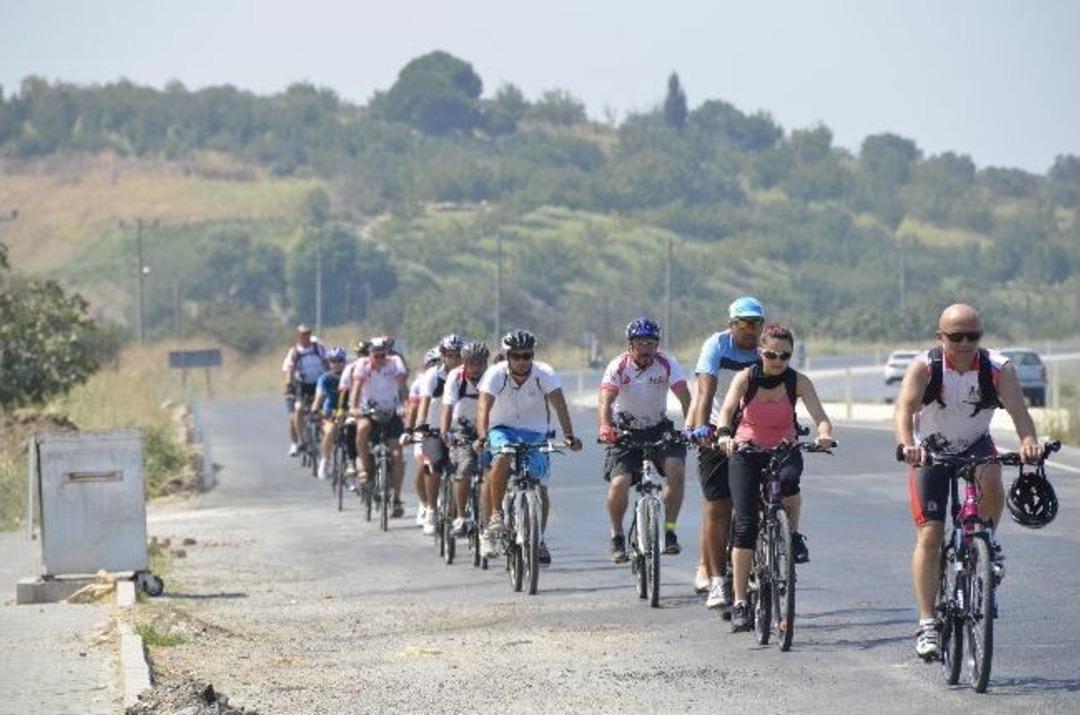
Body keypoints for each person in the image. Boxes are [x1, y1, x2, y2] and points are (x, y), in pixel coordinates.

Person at [894, 303, 1040, 661]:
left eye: (972, 336)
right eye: (955, 336)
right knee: (930, 533)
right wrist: (908, 445)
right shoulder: (925, 367)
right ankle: (927, 623)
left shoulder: (997, 368)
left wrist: (1027, 443)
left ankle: (986, 540)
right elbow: (903, 408)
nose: (963, 343)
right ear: (939, 336)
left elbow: (1019, 412)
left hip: (976, 444)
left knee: (993, 477)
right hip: (931, 450)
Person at [713, 323, 834, 632]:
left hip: (784, 447)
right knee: (745, 527)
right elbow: (726, 411)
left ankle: (791, 534)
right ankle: (740, 601)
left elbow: (820, 416)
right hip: (746, 451)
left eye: (785, 355)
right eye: (771, 354)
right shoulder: (746, 378)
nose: (778, 360)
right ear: (760, 352)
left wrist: (823, 435)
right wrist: (725, 435)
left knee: (791, 481)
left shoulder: (798, 381)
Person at [475, 330, 583, 563]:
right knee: (503, 456)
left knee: (540, 487)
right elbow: (483, 407)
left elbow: (560, 405)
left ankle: (539, 538)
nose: (523, 361)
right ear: (507, 356)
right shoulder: (495, 374)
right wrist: (483, 437)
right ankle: (496, 516)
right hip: (501, 428)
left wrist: (570, 436)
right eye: (517, 356)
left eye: (527, 356)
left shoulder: (544, 373)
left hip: (535, 431)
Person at [686, 296, 766, 610]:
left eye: (755, 324)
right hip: (719, 429)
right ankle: (717, 580)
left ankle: (759, 560)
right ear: (730, 325)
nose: (749, 330)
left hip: (755, 432)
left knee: (758, 503)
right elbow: (705, 391)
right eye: (742, 324)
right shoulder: (716, 346)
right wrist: (704, 428)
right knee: (718, 508)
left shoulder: (766, 349)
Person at [597, 317, 691, 563]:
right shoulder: (618, 366)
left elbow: (685, 397)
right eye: (640, 343)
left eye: (651, 343)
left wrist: (692, 426)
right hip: (626, 430)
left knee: (676, 469)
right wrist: (606, 426)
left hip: (659, 427)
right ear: (630, 345)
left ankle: (669, 530)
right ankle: (617, 536)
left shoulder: (667, 363)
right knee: (619, 483)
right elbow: (605, 400)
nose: (646, 349)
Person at [407, 334, 465, 535]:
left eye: (458, 355)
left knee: (465, 468)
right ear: (443, 355)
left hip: (459, 429)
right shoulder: (433, 375)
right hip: (434, 429)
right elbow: (423, 402)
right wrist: (421, 424)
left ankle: (462, 514)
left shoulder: (467, 374)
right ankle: (431, 509)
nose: (454, 359)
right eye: (450, 355)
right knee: (434, 465)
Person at [348, 336, 409, 517]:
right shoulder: (362, 365)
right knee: (362, 429)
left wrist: (404, 404)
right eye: (376, 356)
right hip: (370, 410)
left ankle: (396, 499)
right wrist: (354, 408)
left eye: (383, 355)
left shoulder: (395, 362)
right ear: (370, 355)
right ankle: (366, 466)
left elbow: (402, 385)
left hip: (391, 411)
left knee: (397, 456)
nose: (380, 359)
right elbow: (356, 388)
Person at [440, 341, 490, 537]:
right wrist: (445, 432)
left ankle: (492, 518)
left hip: (487, 428)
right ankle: (461, 517)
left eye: (480, 363)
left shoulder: (492, 376)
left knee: (494, 471)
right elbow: (447, 406)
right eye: (472, 363)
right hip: (463, 428)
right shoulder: (456, 377)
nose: (476, 367)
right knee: (465, 467)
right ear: (464, 362)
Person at [405, 348, 441, 528]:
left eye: (437, 363)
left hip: (448, 428)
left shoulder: (454, 378)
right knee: (423, 466)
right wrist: (409, 430)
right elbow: (412, 409)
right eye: (431, 363)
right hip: (425, 428)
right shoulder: (419, 383)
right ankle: (426, 504)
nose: (435, 367)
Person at [281, 324, 327, 457]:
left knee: (322, 409)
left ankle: (321, 434)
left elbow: (326, 363)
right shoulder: (295, 351)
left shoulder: (318, 348)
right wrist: (289, 385)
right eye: (303, 334)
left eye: (308, 333)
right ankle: (300, 440)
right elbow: (289, 369)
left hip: (317, 382)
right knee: (299, 409)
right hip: (301, 383)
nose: (306, 336)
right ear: (299, 336)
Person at [311, 347, 349, 480]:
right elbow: (319, 396)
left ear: (344, 361)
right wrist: (315, 410)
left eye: (339, 360)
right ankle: (325, 460)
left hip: (349, 413)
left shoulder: (351, 376)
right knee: (330, 430)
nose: (336, 364)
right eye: (333, 361)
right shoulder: (325, 378)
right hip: (329, 413)